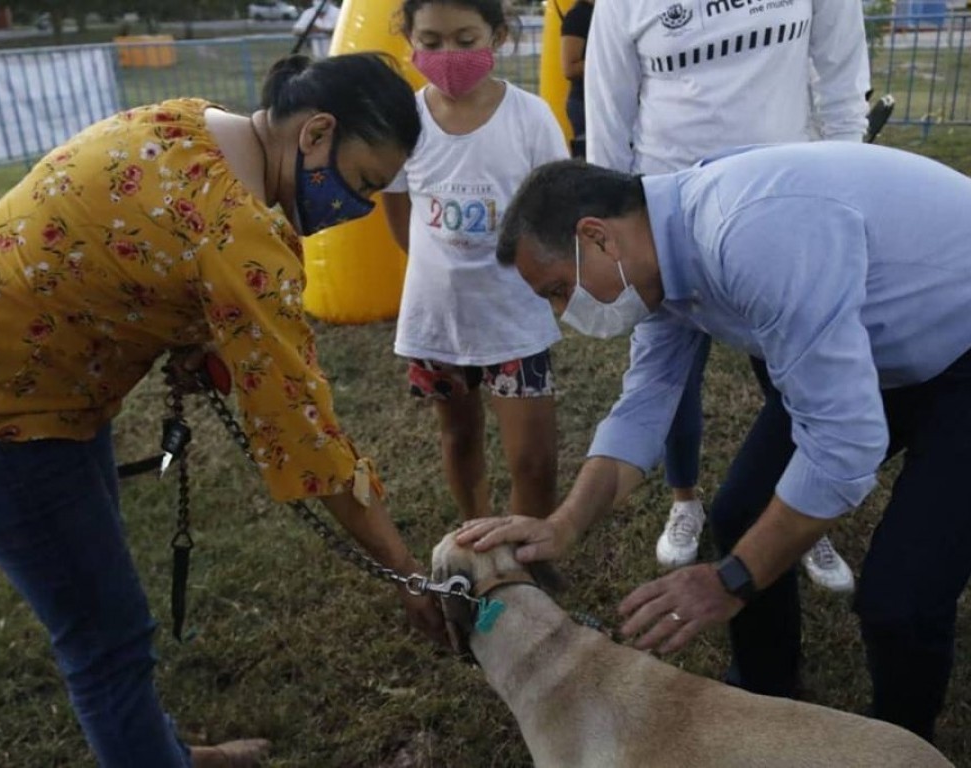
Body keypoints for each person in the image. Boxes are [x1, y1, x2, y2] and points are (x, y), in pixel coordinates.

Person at [0, 53, 446, 768]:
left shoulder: (190, 122)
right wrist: (403, 571)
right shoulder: (240, 237)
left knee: (103, 605)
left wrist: (193, 332)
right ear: (316, 132)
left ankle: (162, 749)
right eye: (359, 183)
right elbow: (306, 434)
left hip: (17, 383)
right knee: (107, 638)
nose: (355, 207)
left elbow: (141, 248)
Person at [458, 145, 971, 744]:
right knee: (740, 513)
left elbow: (843, 449)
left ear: (597, 237)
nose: (562, 311)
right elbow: (647, 404)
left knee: (899, 600)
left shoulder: (749, 234)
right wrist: (565, 524)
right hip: (883, 348)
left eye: (557, 288)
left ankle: (901, 746)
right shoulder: (656, 260)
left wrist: (731, 581)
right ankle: (763, 694)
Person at [585, 0, 870, 590]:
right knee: (668, 379)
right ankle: (684, 501)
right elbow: (608, 119)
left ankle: (806, 520)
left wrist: (847, 173)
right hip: (664, 220)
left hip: (785, 213)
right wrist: (617, 228)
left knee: (797, 382)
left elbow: (843, 75)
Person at [381, 0, 568, 521]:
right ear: (410, 40)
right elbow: (398, 211)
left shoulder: (530, 117)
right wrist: (434, 266)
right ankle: (478, 539)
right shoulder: (406, 121)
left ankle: (527, 562)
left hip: (515, 317)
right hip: (438, 321)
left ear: (499, 36)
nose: (448, 55)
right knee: (458, 438)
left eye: (466, 40)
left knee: (534, 461)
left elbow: (553, 206)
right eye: (431, 42)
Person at [558, 0, 593, 158]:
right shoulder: (578, 15)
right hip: (585, 103)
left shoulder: (610, 11)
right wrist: (609, 60)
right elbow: (570, 68)